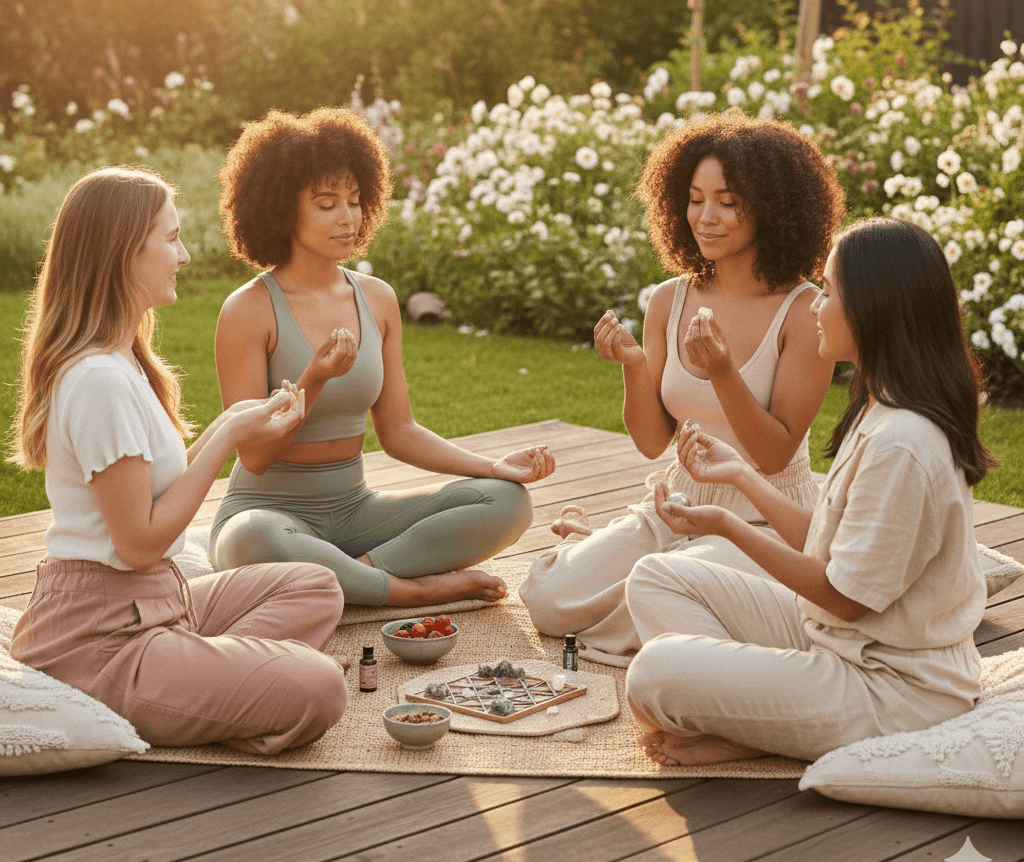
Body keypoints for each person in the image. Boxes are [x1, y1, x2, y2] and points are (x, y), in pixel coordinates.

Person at [625, 217, 996, 766]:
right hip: (837, 640)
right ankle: (761, 715)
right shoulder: (883, 405)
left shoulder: (903, 442)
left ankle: (753, 725)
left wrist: (724, 524)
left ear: (872, 308)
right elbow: (826, 542)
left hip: (894, 689)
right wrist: (740, 475)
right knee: (655, 577)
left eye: (827, 291)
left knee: (655, 674)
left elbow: (842, 596)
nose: (815, 306)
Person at [8, 167, 348, 753]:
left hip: (159, 605)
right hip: (101, 639)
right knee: (320, 686)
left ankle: (206, 685)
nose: (185, 255)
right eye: (171, 239)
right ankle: (214, 696)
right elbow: (139, 544)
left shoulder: (123, 361)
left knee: (315, 586)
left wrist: (231, 420)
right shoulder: (98, 380)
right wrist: (228, 435)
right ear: (123, 253)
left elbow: (151, 487)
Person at [519, 112, 845, 664]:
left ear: (774, 207)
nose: (705, 217)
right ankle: (596, 550)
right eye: (695, 199)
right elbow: (652, 442)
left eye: (727, 201)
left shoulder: (805, 310)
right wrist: (632, 362)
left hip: (762, 519)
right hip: (677, 504)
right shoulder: (669, 300)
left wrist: (722, 372)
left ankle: (607, 556)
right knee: (548, 600)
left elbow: (773, 453)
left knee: (659, 590)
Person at [209, 107, 554, 609]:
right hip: (271, 513)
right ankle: (409, 589)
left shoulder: (377, 299)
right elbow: (254, 456)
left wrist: (493, 466)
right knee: (249, 540)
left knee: (507, 501)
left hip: (357, 513)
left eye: (354, 200)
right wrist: (314, 377)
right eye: (326, 204)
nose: (348, 217)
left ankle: (356, 575)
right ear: (281, 209)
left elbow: (399, 432)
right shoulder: (247, 310)